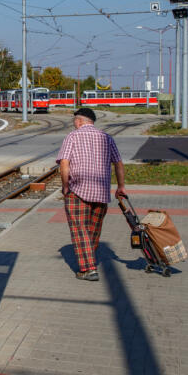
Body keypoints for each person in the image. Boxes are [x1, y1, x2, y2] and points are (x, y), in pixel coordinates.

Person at [56, 108, 126, 281]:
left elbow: (64, 163)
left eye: (75, 121)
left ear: (79, 121)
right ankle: (89, 257)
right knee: (93, 230)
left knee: (80, 230)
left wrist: (65, 186)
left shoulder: (72, 136)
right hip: (101, 192)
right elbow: (118, 163)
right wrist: (121, 186)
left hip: (77, 191)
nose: (74, 124)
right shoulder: (107, 138)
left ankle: (88, 269)